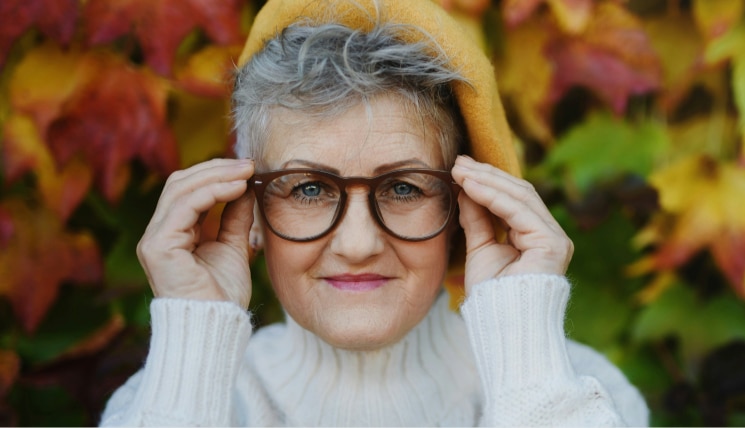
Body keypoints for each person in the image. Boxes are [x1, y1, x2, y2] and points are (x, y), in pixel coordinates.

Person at [100, 0, 649, 425]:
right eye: (309, 189)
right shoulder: (168, 398)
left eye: (404, 188)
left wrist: (526, 355)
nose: (358, 244)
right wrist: (193, 338)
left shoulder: (573, 390)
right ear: (251, 214)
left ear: (467, 208)